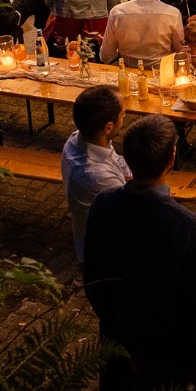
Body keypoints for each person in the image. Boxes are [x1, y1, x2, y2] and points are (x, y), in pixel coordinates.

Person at [84, 115, 196, 391]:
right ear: (172, 160)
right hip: (181, 354)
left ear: (127, 159)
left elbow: (93, 278)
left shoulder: (104, 206)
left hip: (128, 342)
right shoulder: (186, 226)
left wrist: (116, 320)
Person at [61, 84, 130, 264]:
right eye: (122, 116)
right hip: (106, 258)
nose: (124, 119)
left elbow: (116, 160)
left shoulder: (80, 138)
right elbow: (132, 217)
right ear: (108, 127)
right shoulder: (97, 176)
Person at [100, 0, 186, 65]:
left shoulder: (117, 12)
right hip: (161, 74)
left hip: (128, 71)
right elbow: (180, 50)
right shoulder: (173, 14)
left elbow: (106, 56)